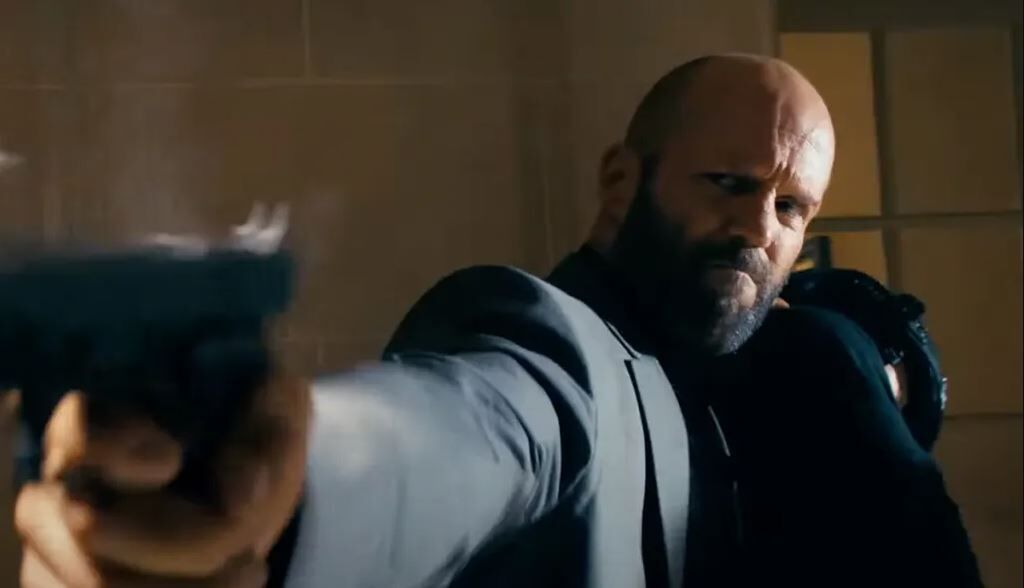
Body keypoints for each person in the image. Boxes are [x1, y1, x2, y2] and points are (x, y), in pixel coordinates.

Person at [12, 54, 980, 588]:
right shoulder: (560, 348)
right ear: (620, 181)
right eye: (728, 182)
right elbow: (478, 423)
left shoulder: (767, 385)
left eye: (791, 207)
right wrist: (281, 491)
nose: (757, 227)